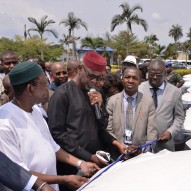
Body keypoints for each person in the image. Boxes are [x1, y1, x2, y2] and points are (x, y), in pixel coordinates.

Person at [0, 61, 100, 191]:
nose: (47, 89)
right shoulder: (4, 123)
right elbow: (19, 174)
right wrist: (64, 179)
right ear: (30, 88)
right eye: (44, 84)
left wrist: (81, 163)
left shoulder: (35, 110)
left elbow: (53, 147)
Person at [47, 52, 127, 190]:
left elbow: (101, 127)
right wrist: (87, 156)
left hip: (94, 161)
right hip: (71, 164)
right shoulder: (62, 94)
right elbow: (57, 134)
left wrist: (101, 108)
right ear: (80, 69)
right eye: (91, 76)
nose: (95, 81)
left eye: (99, 77)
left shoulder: (97, 92)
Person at [139, 59, 185, 152]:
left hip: (165, 146)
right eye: (152, 74)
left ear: (165, 74)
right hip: (141, 145)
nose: (155, 77)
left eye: (158, 75)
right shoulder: (139, 89)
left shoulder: (174, 92)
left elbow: (179, 117)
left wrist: (170, 132)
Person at [106, 67, 158, 150]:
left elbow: (152, 132)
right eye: (127, 77)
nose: (130, 81)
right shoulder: (112, 101)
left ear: (140, 81)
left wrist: (143, 151)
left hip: (140, 152)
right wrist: (119, 146)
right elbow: (108, 129)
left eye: (135, 78)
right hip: (117, 150)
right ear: (122, 79)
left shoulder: (148, 102)